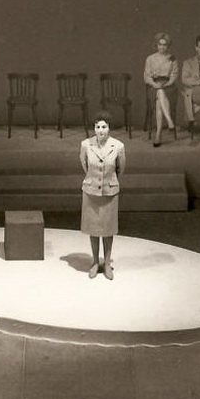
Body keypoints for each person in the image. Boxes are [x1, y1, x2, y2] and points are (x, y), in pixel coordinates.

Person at [79, 111, 126, 280]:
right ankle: (94, 262)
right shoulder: (86, 145)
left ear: (109, 128)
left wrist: (108, 181)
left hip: (109, 193)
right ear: (94, 128)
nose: (100, 130)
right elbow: (85, 165)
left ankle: (106, 263)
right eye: (97, 127)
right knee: (93, 228)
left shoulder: (118, 146)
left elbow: (120, 168)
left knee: (108, 229)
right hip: (91, 192)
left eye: (104, 127)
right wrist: (94, 180)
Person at [143, 32, 178, 147]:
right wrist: (154, 84)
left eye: (165, 45)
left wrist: (167, 83)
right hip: (153, 86)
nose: (162, 47)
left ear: (168, 46)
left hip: (168, 86)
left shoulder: (172, 59)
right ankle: (169, 121)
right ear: (156, 45)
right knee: (159, 93)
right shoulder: (150, 58)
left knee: (160, 98)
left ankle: (158, 134)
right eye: (160, 44)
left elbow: (174, 75)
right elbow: (146, 76)